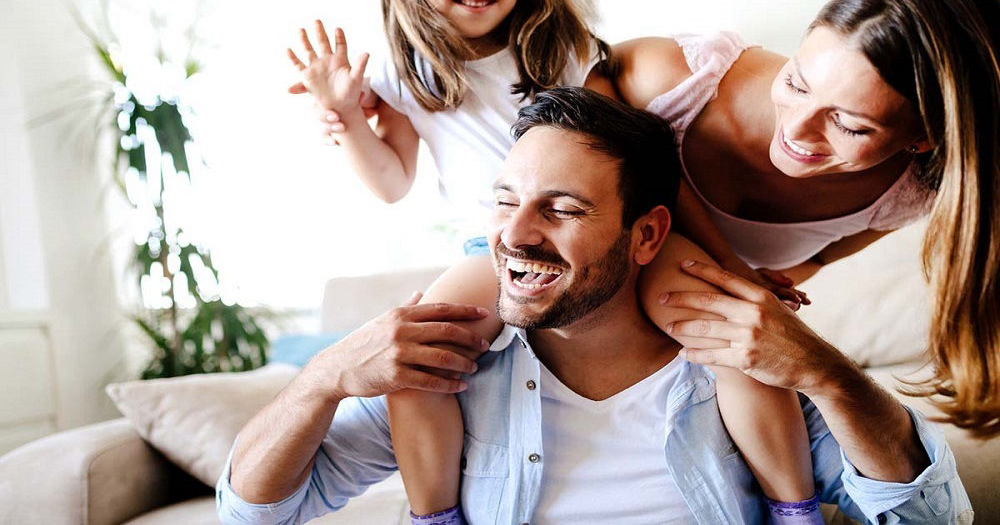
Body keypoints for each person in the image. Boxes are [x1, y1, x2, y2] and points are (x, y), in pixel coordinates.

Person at [287, 0, 822, 518]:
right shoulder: (407, 74)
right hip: (491, 250)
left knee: (732, 335)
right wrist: (345, 116)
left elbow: (639, 168)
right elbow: (391, 182)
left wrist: (734, 267)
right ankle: (436, 514)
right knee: (421, 359)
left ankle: (794, 506)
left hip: (609, 232)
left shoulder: (562, 50)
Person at [218, 87, 971, 524]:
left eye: (562, 208)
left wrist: (829, 375)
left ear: (647, 235)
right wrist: (322, 378)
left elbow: (929, 517)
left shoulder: (735, 364)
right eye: (505, 200)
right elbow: (253, 511)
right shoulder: (449, 368)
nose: (514, 235)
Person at [604, 0, 1000, 442]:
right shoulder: (669, 79)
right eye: (796, 83)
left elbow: (818, 257)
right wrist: (728, 263)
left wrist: (761, 292)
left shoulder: (908, 194)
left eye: (849, 124)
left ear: (922, 139)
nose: (795, 129)